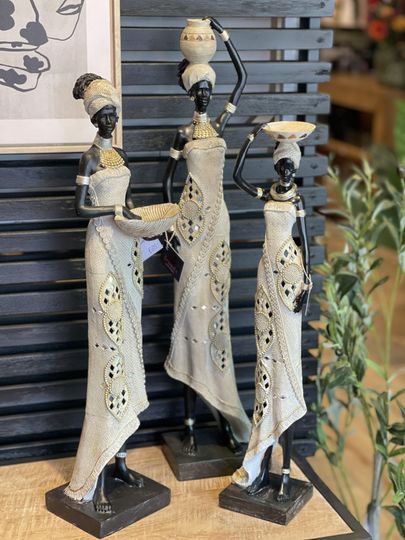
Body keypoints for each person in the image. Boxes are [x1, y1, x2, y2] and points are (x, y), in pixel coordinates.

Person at [65, 73, 178, 512]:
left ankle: (122, 458)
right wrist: (114, 208)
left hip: (127, 247)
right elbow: (80, 207)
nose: (110, 119)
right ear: (94, 118)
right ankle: (96, 471)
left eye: (113, 112)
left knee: (128, 348)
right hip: (101, 246)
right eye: (104, 114)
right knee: (108, 350)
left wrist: (146, 227)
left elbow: (129, 207)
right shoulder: (89, 158)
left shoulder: (121, 154)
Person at [163, 18, 251, 456]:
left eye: (207, 90)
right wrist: (170, 232)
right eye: (198, 90)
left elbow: (243, 77)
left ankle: (222, 410)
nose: (204, 95)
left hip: (219, 228)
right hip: (189, 228)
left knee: (215, 313)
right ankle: (190, 421)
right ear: (188, 92)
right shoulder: (183, 135)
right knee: (187, 316)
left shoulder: (219, 125)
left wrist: (223, 32)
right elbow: (167, 183)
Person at [231, 122, 313, 500]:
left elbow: (306, 245)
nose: (286, 170)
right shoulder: (268, 192)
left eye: (290, 165)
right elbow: (237, 176)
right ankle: (261, 461)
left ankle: (285, 470)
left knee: (288, 362)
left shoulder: (298, 199)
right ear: (276, 165)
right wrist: (250, 136)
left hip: (290, 276)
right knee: (266, 356)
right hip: (266, 274)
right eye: (282, 164)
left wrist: (307, 287)